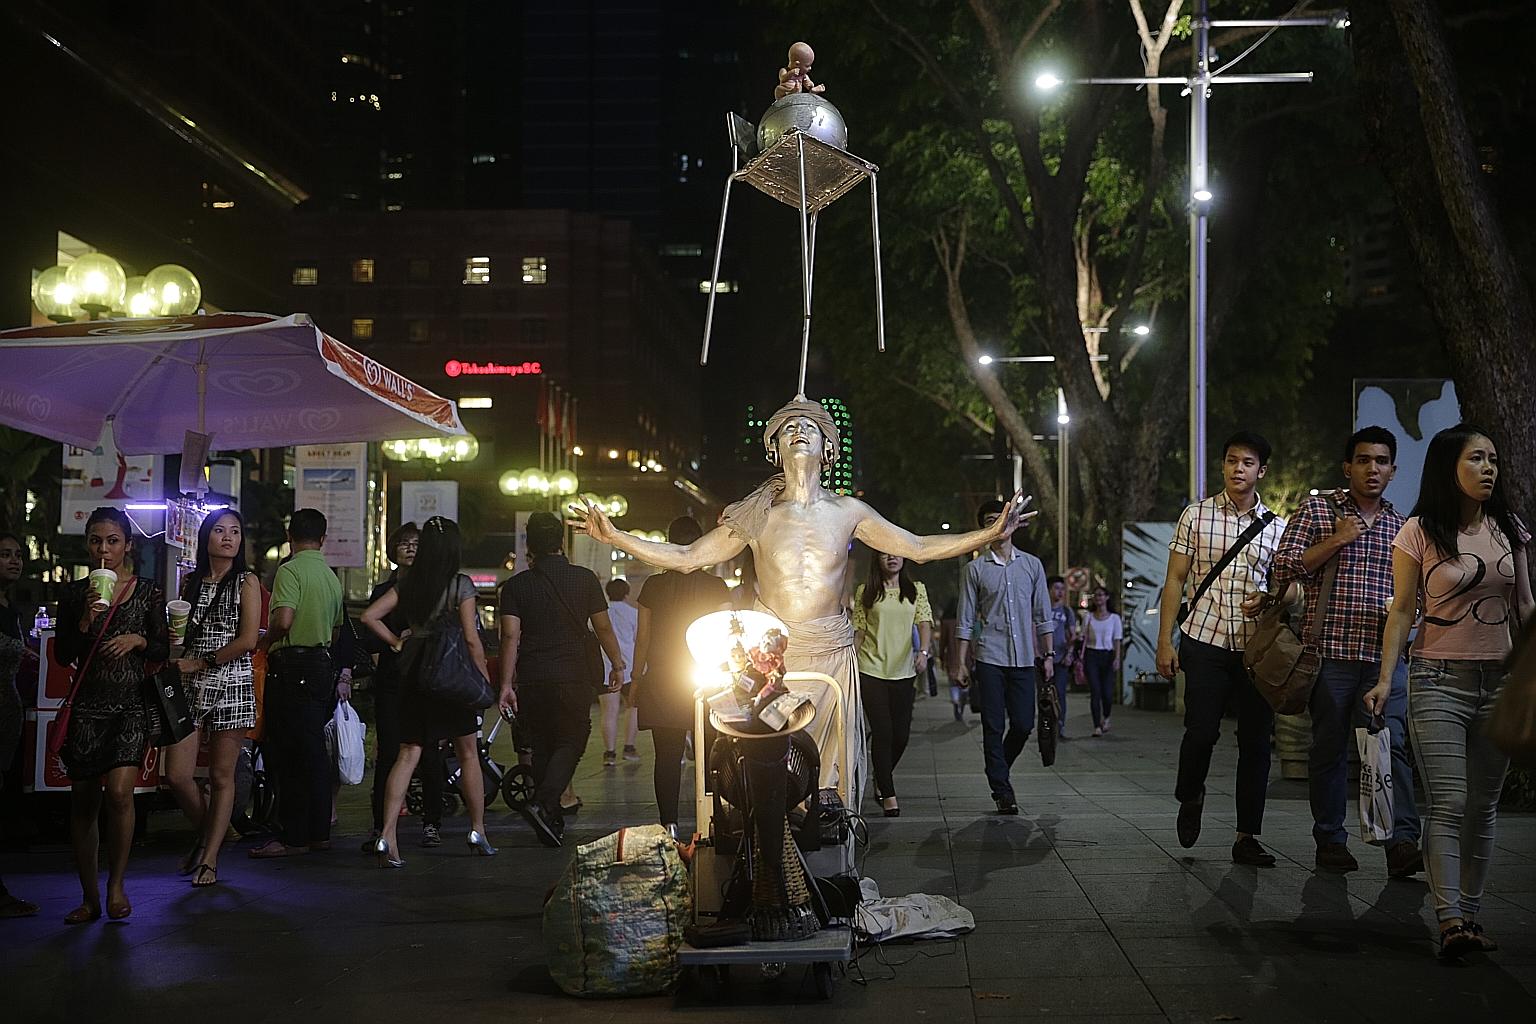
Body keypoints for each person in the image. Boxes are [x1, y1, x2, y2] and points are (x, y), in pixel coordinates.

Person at [570, 395, 1030, 812]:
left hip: (832, 653)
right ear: (774, 448)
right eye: (789, 426)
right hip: (775, 659)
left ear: (828, 447)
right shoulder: (756, 515)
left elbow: (919, 547)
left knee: (830, 775)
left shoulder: (850, 512)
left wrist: (989, 534)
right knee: (773, 764)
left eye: (810, 426)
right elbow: (688, 557)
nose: (799, 431)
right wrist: (615, 537)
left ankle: (830, 850)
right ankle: (776, 852)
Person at [1370, 424, 1531, 959]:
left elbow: (1525, 606)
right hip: (1438, 678)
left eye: (1492, 459)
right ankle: (1449, 919)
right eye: (1477, 459)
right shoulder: (1419, 531)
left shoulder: (1510, 528)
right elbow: (1401, 611)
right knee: (1451, 800)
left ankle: (1471, 912)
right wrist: (1383, 678)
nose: (1489, 468)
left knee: (1484, 804)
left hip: (1500, 680)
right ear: (1449, 467)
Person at [1270, 426, 1422, 878]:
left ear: (1393, 471)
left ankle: (1401, 843)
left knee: (1391, 747)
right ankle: (1331, 840)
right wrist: (1337, 539)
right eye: (1362, 460)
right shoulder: (1320, 508)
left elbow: (1411, 594)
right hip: (1330, 653)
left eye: (1380, 461)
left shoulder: (1401, 525)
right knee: (1331, 749)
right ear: (1347, 467)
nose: (1371, 468)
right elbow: (1283, 566)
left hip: (1382, 658)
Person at [1156, 432, 1287, 866]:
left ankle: (1247, 835)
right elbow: (1175, 580)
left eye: (1247, 462)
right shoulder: (1195, 516)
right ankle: (1190, 795)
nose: (1238, 469)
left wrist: (1273, 599)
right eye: (1231, 461)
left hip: (1255, 649)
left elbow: (1288, 588)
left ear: (1261, 471)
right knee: (1201, 731)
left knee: (1255, 742)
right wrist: (1164, 642)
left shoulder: (1277, 527)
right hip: (1204, 638)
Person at [54, 507, 169, 922]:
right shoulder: (73, 593)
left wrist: (138, 638)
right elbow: (63, 654)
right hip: (86, 706)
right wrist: (86, 617)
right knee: (84, 801)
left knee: (120, 793)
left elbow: (163, 649)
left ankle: (117, 885)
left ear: (128, 545)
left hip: (130, 705)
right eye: (96, 540)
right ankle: (88, 897)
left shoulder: (148, 592)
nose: (104, 549)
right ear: (88, 544)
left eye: (113, 541)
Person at [362, 517, 495, 866]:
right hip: (452, 678)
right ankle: (477, 829)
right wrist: (484, 679)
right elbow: (471, 638)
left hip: (415, 675)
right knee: (467, 753)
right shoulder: (460, 584)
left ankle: (387, 836)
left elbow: (370, 616)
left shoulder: (408, 583)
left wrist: (396, 641)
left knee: (408, 754)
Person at [498, 511, 627, 847]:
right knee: (572, 739)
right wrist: (617, 663)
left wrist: (506, 685)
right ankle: (543, 803)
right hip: (572, 675)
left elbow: (509, 637)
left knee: (541, 745)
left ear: (531, 545)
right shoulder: (584, 579)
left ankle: (550, 818)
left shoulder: (515, 586)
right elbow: (602, 627)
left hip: (532, 676)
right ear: (561, 542)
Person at [168, 510, 262, 887]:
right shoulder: (189, 582)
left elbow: (248, 640)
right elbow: (178, 634)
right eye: (220, 530)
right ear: (205, 537)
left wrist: (201, 662)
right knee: (177, 775)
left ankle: (209, 857)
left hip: (231, 680)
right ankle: (210, 834)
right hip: (190, 682)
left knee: (223, 776)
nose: (228, 538)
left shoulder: (246, 581)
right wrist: (177, 656)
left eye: (235, 531)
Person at [251, 508, 349, 858]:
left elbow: (284, 619)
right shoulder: (331, 577)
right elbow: (337, 631)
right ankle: (318, 833)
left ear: (290, 537)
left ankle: (292, 837)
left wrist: (266, 640)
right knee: (314, 754)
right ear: (323, 539)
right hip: (322, 665)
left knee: (289, 754)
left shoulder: (289, 570)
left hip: (292, 667)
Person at [631, 515, 731, 836]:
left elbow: (642, 638)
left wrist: (635, 680)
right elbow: (729, 633)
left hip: (662, 679)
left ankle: (669, 825)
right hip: (708, 678)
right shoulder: (716, 586)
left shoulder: (653, 586)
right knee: (710, 753)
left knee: (667, 756)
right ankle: (713, 819)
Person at [954, 499, 1054, 815]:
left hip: (1025, 657)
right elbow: (966, 618)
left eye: (1001, 518)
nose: (996, 525)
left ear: (1012, 523)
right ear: (984, 528)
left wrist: (1048, 654)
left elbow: (1043, 614)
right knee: (993, 726)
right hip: (990, 657)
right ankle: (1002, 790)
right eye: (989, 521)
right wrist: (960, 661)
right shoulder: (974, 569)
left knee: (1024, 724)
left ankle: (999, 770)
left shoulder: (1032, 565)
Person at [359, 523, 448, 851]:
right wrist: (395, 643)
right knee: (389, 754)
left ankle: (432, 822)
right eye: (404, 544)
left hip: (426, 680)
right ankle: (381, 825)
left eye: (416, 544)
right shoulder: (383, 591)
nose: (410, 548)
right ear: (394, 550)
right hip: (393, 680)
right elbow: (369, 635)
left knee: (429, 755)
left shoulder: (433, 588)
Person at [852, 551, 932, 817]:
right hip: (871, 669)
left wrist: (923, 654)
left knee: (901, 735)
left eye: (896, 554)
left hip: (904, 671)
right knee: (883, 731)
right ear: (877, 560)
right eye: (885, 554)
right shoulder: (866, 591)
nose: (891, 558)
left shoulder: (915, 590)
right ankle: (888, 794)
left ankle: (881, 773)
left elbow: (924, 623)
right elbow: (860, 631)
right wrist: (849, 663)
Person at [0, 531, 38, 918]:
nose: (13, 561)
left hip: (8, 716)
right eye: (5, 555)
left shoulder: (11, 609)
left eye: (17, 554)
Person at [599, 577, 640, 767]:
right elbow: (638, 640)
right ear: (627, 593)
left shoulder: (600, 613)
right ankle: (629, 748)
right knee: (632, 708)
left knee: (609, 712)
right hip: (630, 667)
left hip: (606, 668)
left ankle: (609, 753)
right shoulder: (633, 613)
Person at [1082, 586, 1123, 737]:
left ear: (1106, 597)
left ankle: (1106, 717)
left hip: (1107, 655)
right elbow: (1084, 638)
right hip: (1092, 655)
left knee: (1107, 692)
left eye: (1101, 595)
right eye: (1096, 595)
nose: (1098, 598)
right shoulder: (1089, 617)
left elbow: (1117, 639)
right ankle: (1096, 726)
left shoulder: (1114, 618)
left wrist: (1117, 658)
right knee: (1095, 691)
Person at [1046, 576, 1076, 738]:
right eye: (1056, 588)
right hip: (1043, 659)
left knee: (1060, 694)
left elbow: (1072, 635)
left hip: (1061, 660)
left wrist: (1069, 654)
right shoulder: (1041, 609)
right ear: (1049, 590)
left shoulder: (1067, 611)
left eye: (1062, 589)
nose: (1060, 592)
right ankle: (1046, 727)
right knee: (1043, 695)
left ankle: (1060, 725)